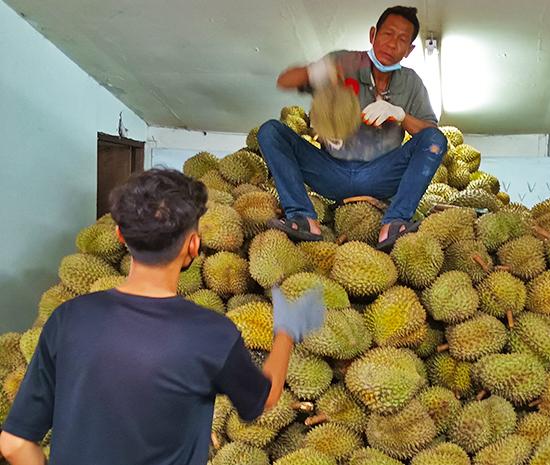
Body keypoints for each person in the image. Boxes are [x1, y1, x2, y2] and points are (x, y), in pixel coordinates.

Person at [0, 169, 325, 465]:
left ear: (120, 237)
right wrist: (286, 331)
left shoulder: (68, 318)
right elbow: (264, 398)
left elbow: (14, 444)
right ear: (194, 246)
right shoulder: (213, 334)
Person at [259, 5, 447, 251]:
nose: (392, 44)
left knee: (435, 139)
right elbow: (284, 80)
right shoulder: (344, 62)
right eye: (388, 34)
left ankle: (393, 223)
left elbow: (430, 133)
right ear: (373, 35)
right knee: (270, 132)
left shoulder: (411, 83)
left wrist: (400, 115)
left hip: (381, 175)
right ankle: (303, 217)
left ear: (410, 50)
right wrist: (318, 71)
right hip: (329, 171)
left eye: (402, 39)